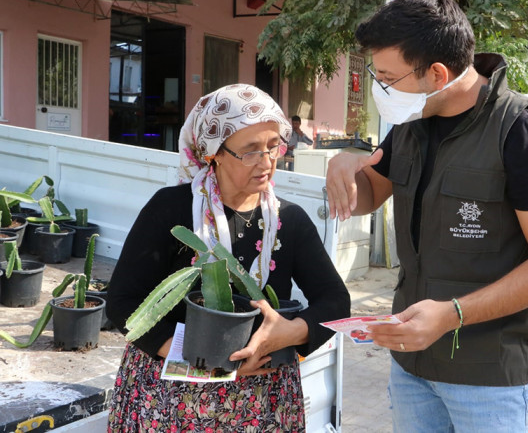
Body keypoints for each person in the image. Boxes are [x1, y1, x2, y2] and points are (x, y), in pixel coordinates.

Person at [324, 0, 528, 432]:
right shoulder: (411, 123)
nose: (380, 87)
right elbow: (366, 195)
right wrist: (344, 163)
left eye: (386, 77)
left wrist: (450, 315)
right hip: (411, 367)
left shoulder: (523, 128)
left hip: (488, 379)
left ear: (436, 73)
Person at [106, 84, 350, 432]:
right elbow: (122, 303)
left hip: (263, 404)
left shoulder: (288, 221)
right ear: (214, 153)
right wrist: (211, 361)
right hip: (171, 400)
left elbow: (336, 302)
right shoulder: (171, 210)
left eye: (273, 146)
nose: (266, 162)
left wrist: (287, 333)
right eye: (250, 151)